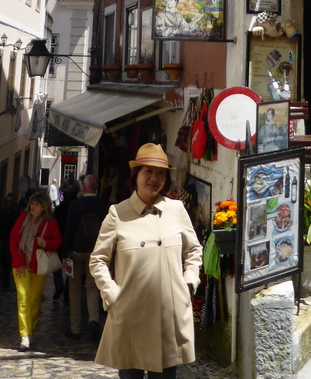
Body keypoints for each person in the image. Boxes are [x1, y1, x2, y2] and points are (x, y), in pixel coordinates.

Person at [90, 143, 202, 378]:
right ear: (136, 175)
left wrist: (189, 282)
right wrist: (112, 294)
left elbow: (193, 250)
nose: (154, 178)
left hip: (167, 316)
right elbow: (98, 259)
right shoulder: (117, 213)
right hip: (130, 316)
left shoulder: (176, 209)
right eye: (148, 171)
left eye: (160, 173)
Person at [9, 191, 62, 351]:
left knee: (33, 300)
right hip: (20, 265)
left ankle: (31, 329)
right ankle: (24, 335)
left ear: (44, 207)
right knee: (23, 299)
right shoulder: (22, 219)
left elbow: (58, 241)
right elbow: (13, 239)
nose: (33, 207)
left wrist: (45, 243)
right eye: (32, 203)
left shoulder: (50, 223)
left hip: (38, 267)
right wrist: (19, 263)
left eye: (36, 204)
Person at [63, 173, 108, 340]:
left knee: (74, 289)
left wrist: (64, 253)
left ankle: (75, 329)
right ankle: (93, 321)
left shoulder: (75, 205)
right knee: (92, 287)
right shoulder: (103, 205)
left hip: (75, 252)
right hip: (95, 252)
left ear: (84, 186)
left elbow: (68, 231)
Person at [52, 177, 79, 300]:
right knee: (70, 267)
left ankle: (59, 286)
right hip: (72, 242)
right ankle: (68, 292)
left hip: (60, 240)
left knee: (57, 266)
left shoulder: (59, 209)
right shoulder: (79, 206)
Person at [0, 192, 19, 289]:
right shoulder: (0, 213)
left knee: (7, 262)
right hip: (0, 241)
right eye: (6, 201)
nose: (7, 203)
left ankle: (6, 280)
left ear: (14, 202)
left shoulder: (16, 214)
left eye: (10, 201)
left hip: (10, 242)